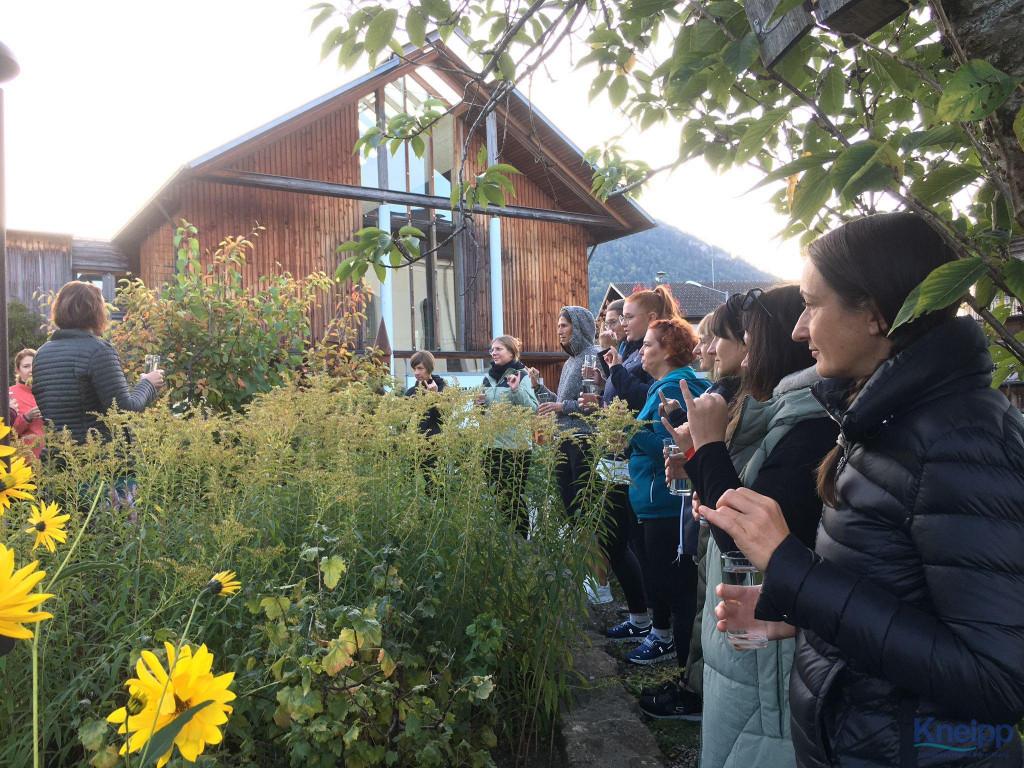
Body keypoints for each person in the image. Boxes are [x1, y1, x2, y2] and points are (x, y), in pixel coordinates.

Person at [708, 212, 1024, 767]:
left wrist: (793, 570)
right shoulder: (886, 421)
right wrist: (803, 617)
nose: (798, 330)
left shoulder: (961, 439)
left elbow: (995, 678)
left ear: (875, 313)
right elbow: (900, 597)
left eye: (811, 305)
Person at [666, 286, 835, 764]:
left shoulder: (811, 426)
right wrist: (702, 467)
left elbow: (741, 537)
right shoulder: (785, 415)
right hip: (748, 643)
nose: (741, 354)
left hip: (768, 654)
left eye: (749, 339)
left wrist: (706, 449)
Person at [624, 317, 709, 665]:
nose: (641, 351)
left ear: (669, 350)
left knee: (674, 588)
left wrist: (629, 431)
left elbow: (673, 448)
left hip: (665, 502)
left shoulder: (671, 390)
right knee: (669, 583)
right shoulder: (663, 386)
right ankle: (674, 654)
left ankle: (679, 664)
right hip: (659, 501)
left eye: (648, 345)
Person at [33, 281, 164, 445]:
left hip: (58, 454)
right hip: (97, 455)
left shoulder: (41, 354)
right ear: (96, 311)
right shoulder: (98, 350)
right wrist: (148, 383)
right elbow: (124, 410)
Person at [535, 307, 602, 520]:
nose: (559, 331)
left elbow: (593, 403)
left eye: (564, 325)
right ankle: (578, 539)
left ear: (579, 327)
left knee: (584, 504)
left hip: (584, 439)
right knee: (568, 505)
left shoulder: (593, 356)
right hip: (563, 439)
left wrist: (561, 407)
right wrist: (538, 388)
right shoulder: (570, 361)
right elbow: (560, 402)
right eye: (558, 326)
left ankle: (589, 542)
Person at [478, 335, 538, 535]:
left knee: (513, 497)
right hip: (491, 446)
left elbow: (532, 408)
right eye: (492, 349)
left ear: (512, 352)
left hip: (515, 447)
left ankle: (521, 541)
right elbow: (484, 412)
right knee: (498, 497)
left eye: (498, 349)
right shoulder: (488, 378)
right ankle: (506, 541)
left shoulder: (521, 375)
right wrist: (479, 406)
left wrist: (515, 390)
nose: (493, 353)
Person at [403, 350, 447, 438]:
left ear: (429, 369)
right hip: (414, 443)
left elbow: (445, 418)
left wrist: (435, 396)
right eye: (414, 369)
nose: (416, 373)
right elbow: (404, 423)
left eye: (420, 368)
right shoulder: (410, 393)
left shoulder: (444, 389)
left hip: (437, 442)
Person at [10, 348, 44, 458]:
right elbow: (7, 433)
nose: (31, 370)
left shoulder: (50, 390)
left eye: (34, 365)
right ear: (18, 370)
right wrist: (26, 417)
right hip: (26, 459)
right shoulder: (9, 394)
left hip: (54, 458)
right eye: (26, 366)